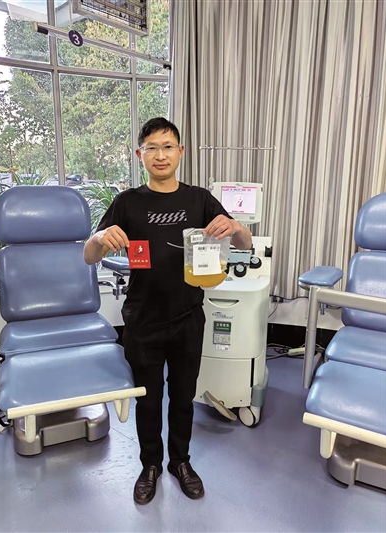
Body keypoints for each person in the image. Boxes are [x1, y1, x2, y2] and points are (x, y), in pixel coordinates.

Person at [84, 118, 252, 505]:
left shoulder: (199, 200)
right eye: (152, 148)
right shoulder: (127, 202)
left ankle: (180, 462)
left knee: (182, 396)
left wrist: (235, 226)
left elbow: (243, 244)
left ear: (180, 152)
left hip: (188, 317)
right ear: (139, 154)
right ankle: (150, 466)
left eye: (168, 146)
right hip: (142, 320)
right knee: (148, 399)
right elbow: (89, 256)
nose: (160, 155)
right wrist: (99, 236)